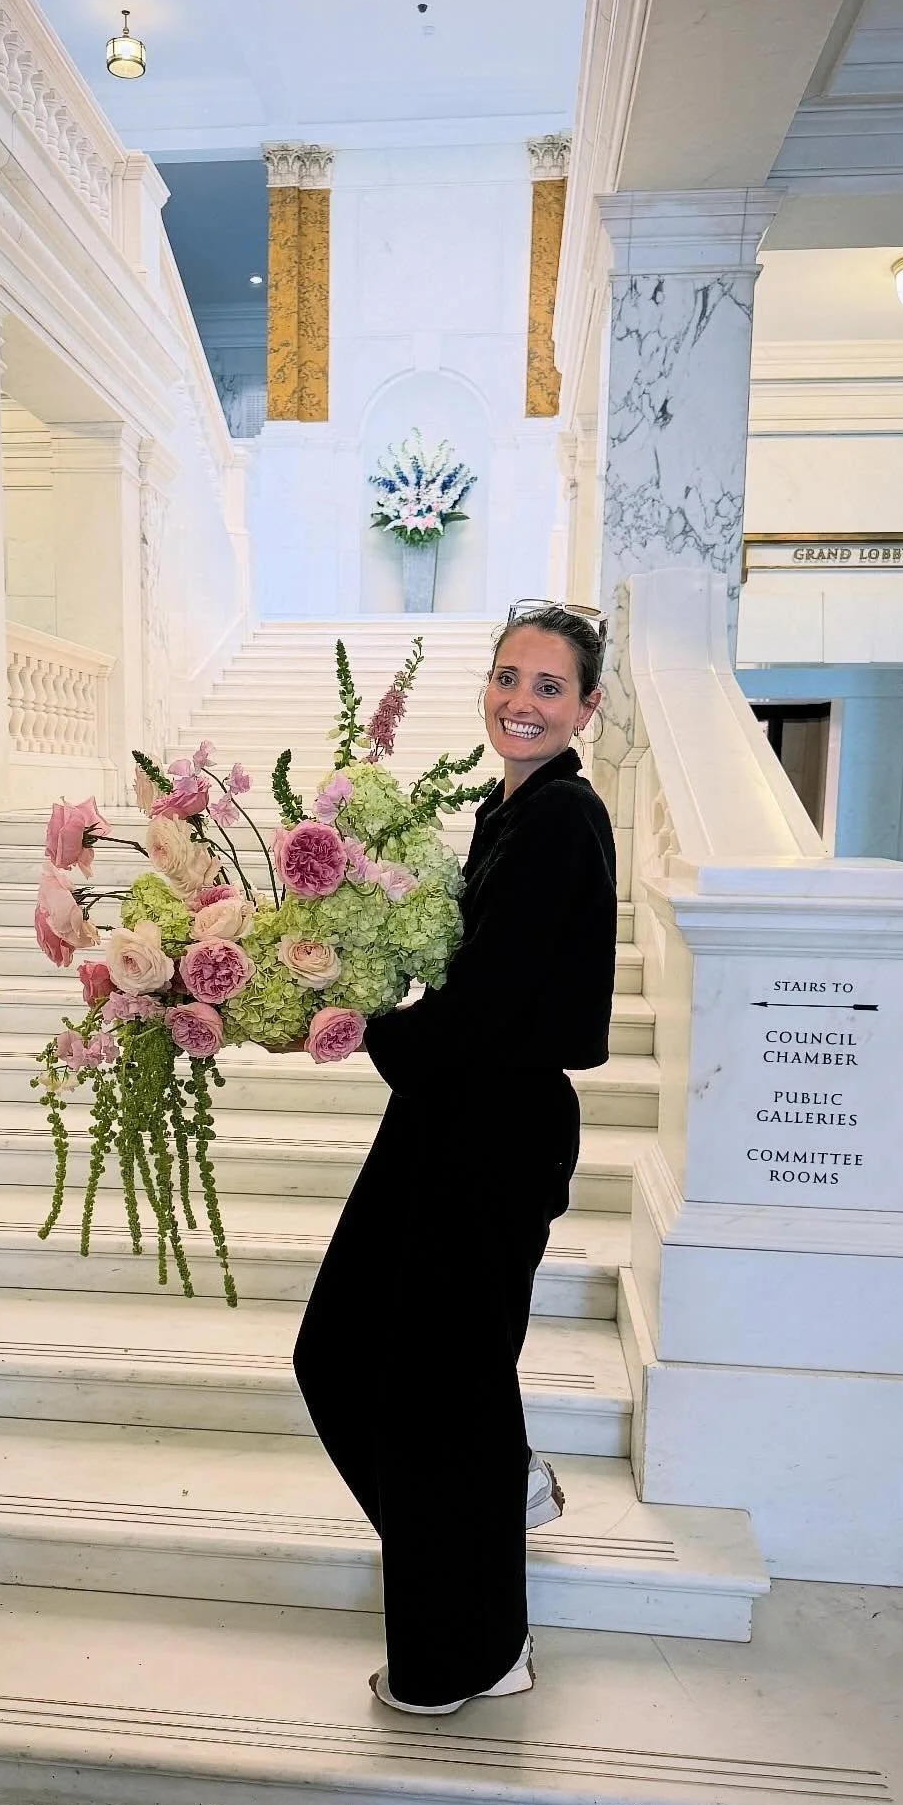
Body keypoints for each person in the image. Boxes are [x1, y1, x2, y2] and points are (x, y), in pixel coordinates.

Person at [293, 600, 619, 1715]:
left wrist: (343, 1012)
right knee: (343, 1352)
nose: (520, 702)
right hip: (447, 1119)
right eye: (506, 678)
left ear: (586, 707)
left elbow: (484, 1012)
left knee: (437, 1389)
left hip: (495, 1126)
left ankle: (473, 1647)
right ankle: (486, 1514)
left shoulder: (565, 820)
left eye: (547, 687)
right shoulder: (506, 808)